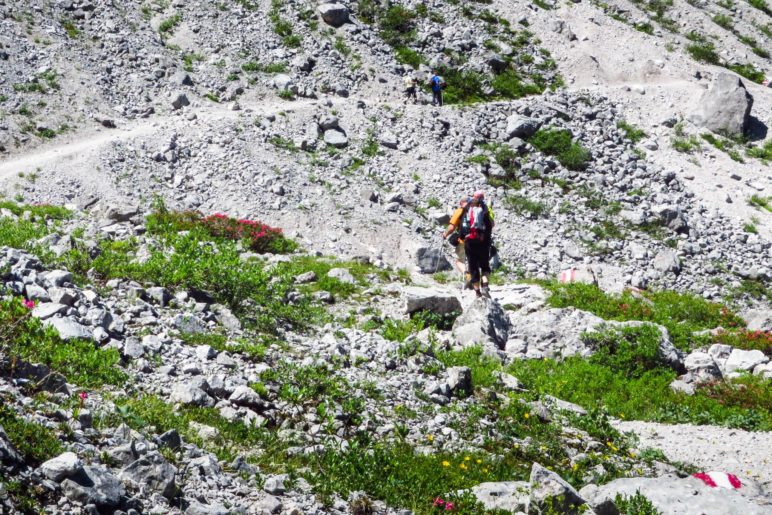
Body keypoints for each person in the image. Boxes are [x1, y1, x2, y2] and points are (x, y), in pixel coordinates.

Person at [462, 191, 494, 297]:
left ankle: (477, 293)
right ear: (482, 199)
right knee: (485, 266)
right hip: (483, 243)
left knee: (473, 268)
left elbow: (460, 226)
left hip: (469, 243)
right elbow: (491, 225)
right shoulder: (485, 210)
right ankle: (485, 286)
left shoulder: (466, 209)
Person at [442, 196, 472, 289]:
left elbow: (451, 227)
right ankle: (473, 280)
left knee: (460, 260)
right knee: (472, 260)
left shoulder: (460, 211)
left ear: (461, 203)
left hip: (464, 240)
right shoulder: (477, 210)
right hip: (477, 239)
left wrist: (445, 235)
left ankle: (466, 275)